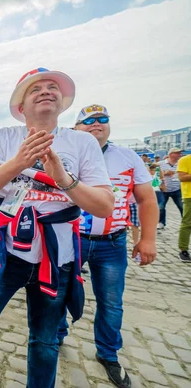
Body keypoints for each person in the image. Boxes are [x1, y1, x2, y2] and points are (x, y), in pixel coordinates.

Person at [0, 69, 115, 388]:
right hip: (5, 252)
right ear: (21, 106)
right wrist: (19, 161)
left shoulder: (81, 142)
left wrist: (63, 179)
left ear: (62, 102)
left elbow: (104, 205)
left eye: (52, 87)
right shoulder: (5, 137)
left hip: (57, 258)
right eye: (36, 89)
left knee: (45, 340)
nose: (46, 91)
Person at [57, 104, 157, 388]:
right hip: (71, 238)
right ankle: (54, 335)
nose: (96, 124)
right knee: (59, 292)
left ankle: (108, 353)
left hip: (112, 242)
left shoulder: (128, 157)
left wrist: (147, 238)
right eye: (88, 121)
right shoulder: (66, 155)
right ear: (76, 128)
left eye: (102, 120)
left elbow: (147, 199)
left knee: (111, 302)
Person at [158, 148, 184, 229]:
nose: (180, 155)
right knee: (161, 207)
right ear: (171, 154)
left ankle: (186, 222)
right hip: (164, 189)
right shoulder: (160, 164)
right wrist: (164, 173)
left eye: (180, 153)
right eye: (178, 153)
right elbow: (154, 174)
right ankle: (161, 222)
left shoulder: (181, 163)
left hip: (177, 189)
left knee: (182, 206)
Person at [177, 153, 191, 262]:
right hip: (189, 196)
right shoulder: (185, 159)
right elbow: (182, 177)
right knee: (187, 223)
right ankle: (183, 249)